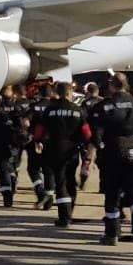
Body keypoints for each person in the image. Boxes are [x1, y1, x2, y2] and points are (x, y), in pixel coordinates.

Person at [90, 72, 133, 252]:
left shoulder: (103, 106)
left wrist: (98, 151)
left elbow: (96, 136)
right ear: (126, 85)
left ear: (111, 85)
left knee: (112, 195)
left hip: (112, 153)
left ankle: (112, 235)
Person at [32, 81, 89, 226]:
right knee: (70, 180)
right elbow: (87, 133)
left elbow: (40, 130)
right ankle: (70, 212)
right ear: (69, 93)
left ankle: (64, 218)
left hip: (54, 149)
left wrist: (38, 141)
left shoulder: (49, 110)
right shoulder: (78, 110)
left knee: (60, 182)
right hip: (72, 151)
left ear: (57, 92)